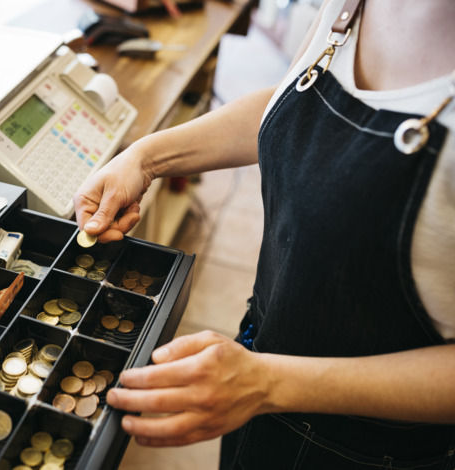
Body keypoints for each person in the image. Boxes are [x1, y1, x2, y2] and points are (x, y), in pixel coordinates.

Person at [73, 0, 455, 468]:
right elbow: (292, 98)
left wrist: (269, 383)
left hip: (372, 451)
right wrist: (146, 157)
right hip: (260, 373)